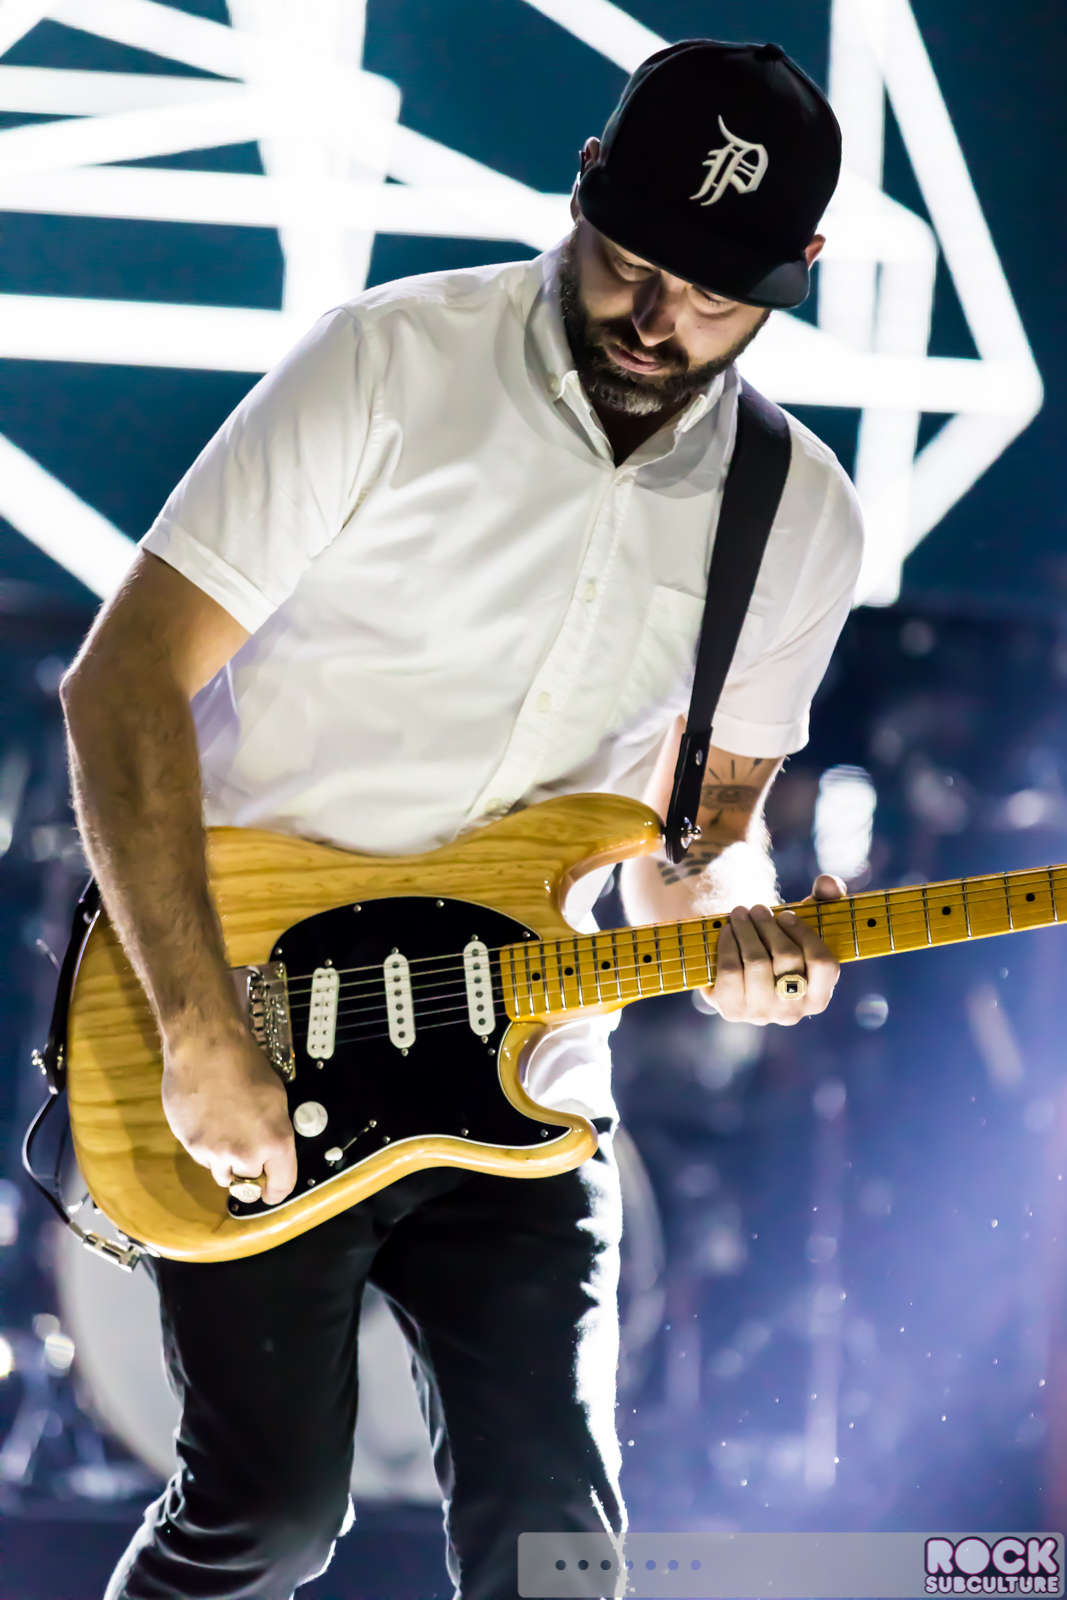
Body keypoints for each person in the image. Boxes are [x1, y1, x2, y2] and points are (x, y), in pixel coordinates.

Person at [61, 38, 862, 1600]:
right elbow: (122, 687)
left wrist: (740, 940)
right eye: (631, 263)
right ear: (582, 186)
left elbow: (699, 847)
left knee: (560, 1544)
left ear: (799, 273)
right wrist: (201, 1031)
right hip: (259, 1008)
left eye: (712, 294)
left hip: (526, 1065)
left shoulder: (800, 518)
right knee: (266, 1519)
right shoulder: (390, 363)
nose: (656, 320)